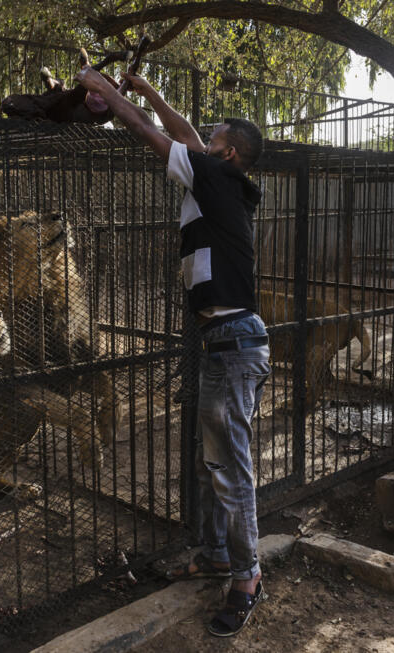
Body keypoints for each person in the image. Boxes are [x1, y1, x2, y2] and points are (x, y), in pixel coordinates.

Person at [75, 67, 270, 638]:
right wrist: (149, 90)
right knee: (215, 462)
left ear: (227, 153)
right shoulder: (216, 178)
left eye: (212, 140)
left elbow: (153, 136)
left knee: (231, 469)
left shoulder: (214, 177)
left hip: (234, 344)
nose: (199, 144)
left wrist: (109, 93)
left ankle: (247, 578)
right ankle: (214, 554)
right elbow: (181, 133)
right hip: (223, 342)